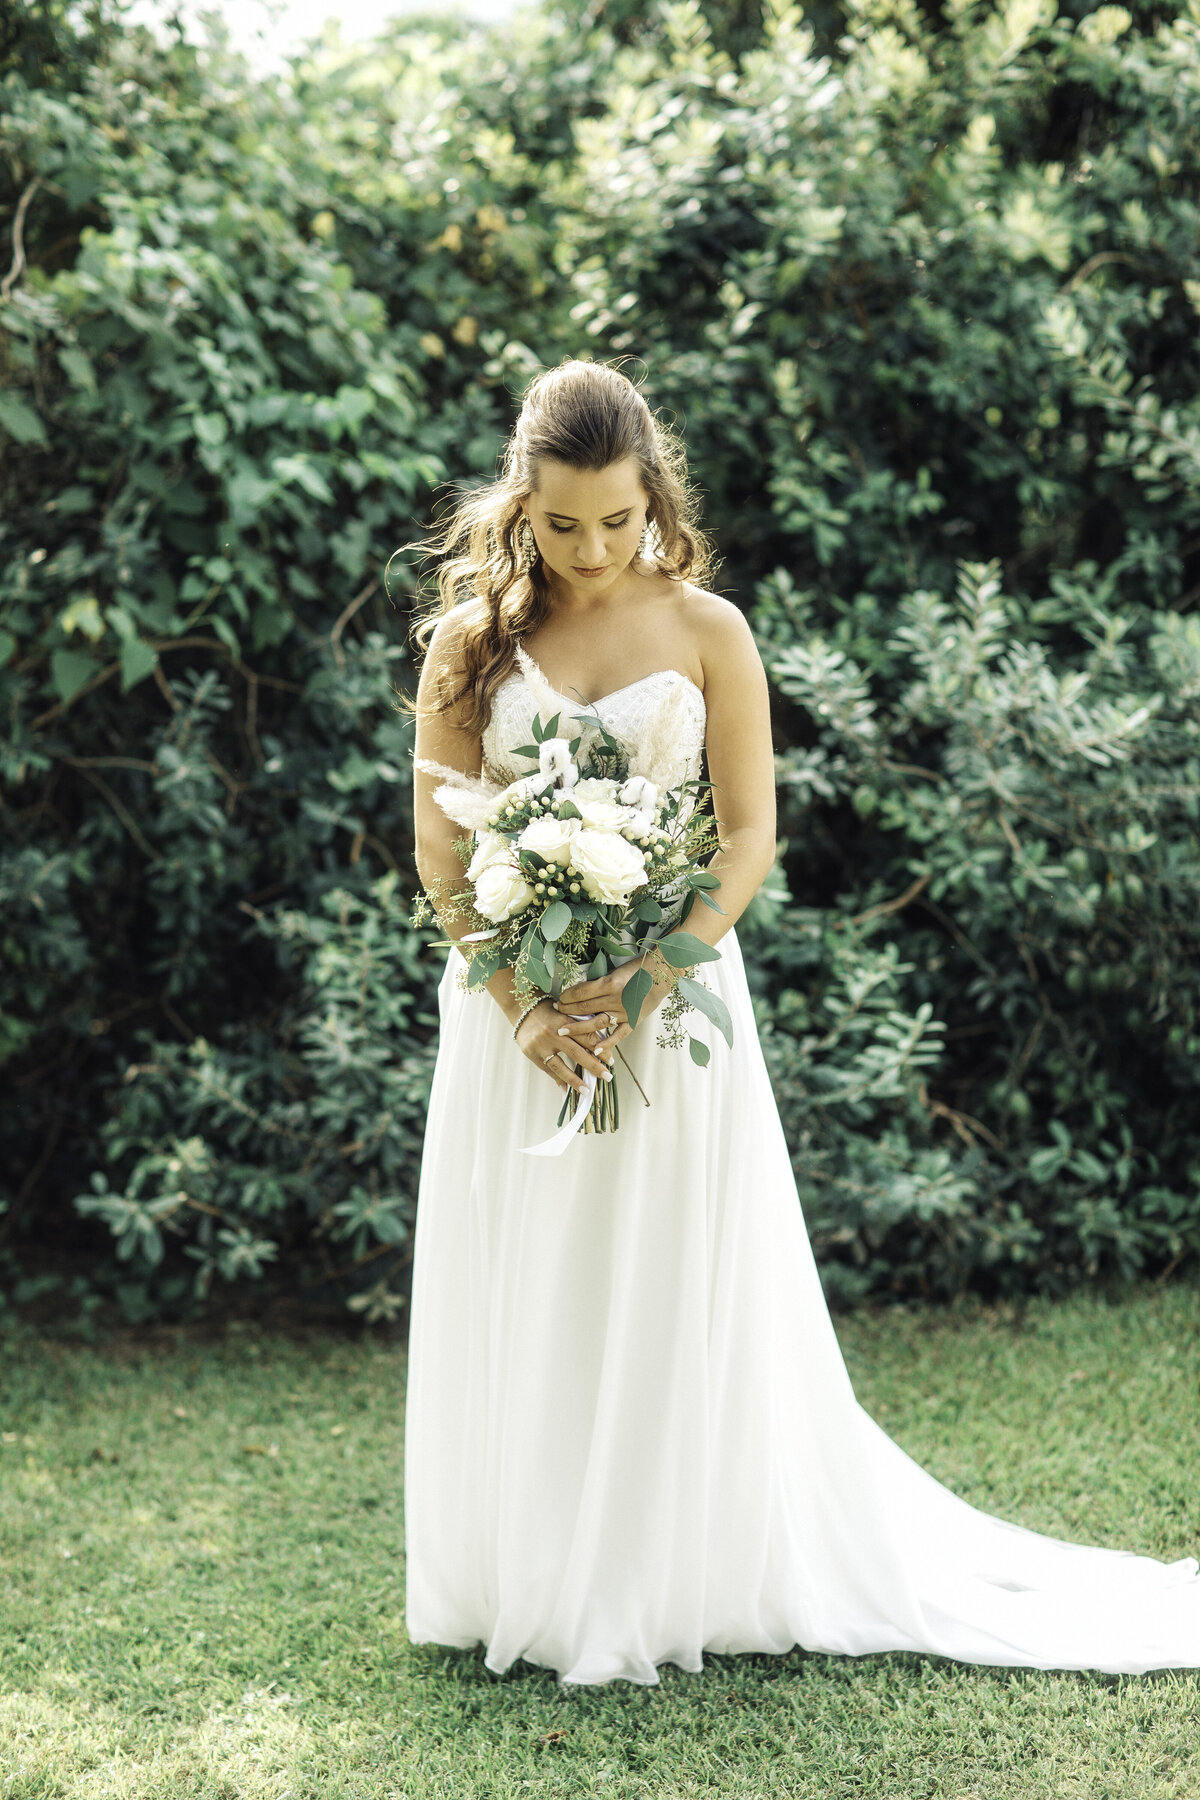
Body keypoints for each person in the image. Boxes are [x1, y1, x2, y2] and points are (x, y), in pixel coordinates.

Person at [404, 357, 1200, 1687]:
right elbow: (437, 853)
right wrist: (526, 1004)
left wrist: (646, 980)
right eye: (561, 524)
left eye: (618, 519)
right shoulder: (469, 642)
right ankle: (528, 1573)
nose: (594, 550)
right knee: (533, 1277)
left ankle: (666, 1572)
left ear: (655, 494)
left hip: (672, 1005)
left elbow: (751, 838)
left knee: (660, 1282)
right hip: (518, 1023)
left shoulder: (711, 631)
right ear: (517, 505)